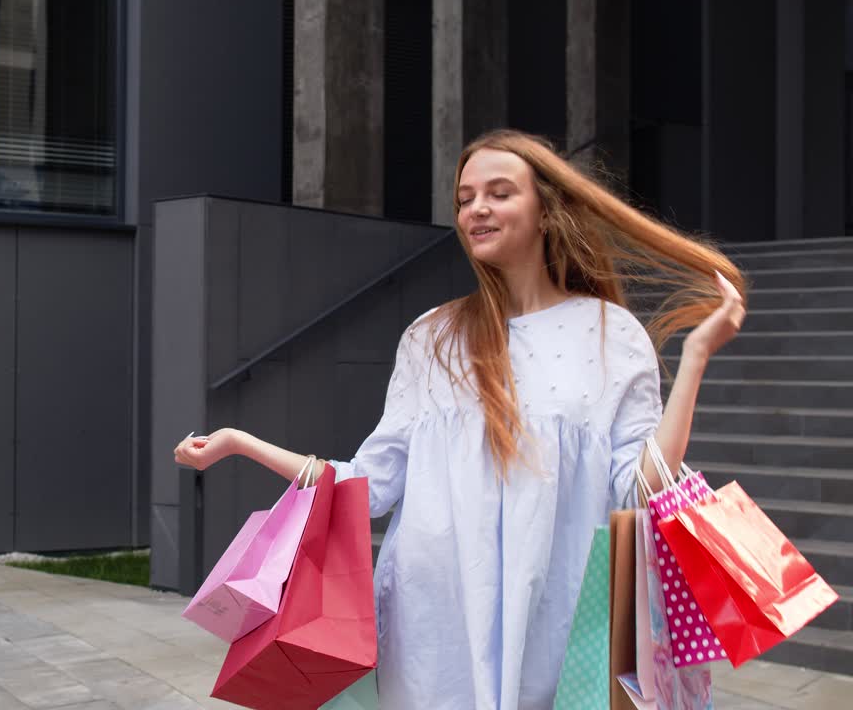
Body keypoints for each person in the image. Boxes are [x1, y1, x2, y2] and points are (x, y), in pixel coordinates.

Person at [172, 129, 746, 709]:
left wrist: (695, 356)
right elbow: (368, 487)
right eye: (465, 198)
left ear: (546, 211)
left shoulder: (610, 333)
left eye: (499, 193)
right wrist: (242, 443)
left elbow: (642, 487)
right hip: (434, 626)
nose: (477, 209)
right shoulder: (431, 336)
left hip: (560, 614)